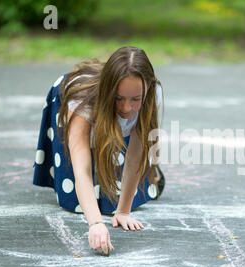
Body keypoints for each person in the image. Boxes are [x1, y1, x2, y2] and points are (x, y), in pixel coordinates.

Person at [33, 46, 165, 255]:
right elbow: (82, 168)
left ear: (147, 89)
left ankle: (153, 172)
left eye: (135, 99)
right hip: (77, 97)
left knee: (120, 200)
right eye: (118, 98)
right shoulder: (82, 98)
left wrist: (123, 211)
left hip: (108, 110)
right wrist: (95, 224)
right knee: (74, 201)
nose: (126, 108)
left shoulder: (152, 94)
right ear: (109, 91)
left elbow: (134, 157)